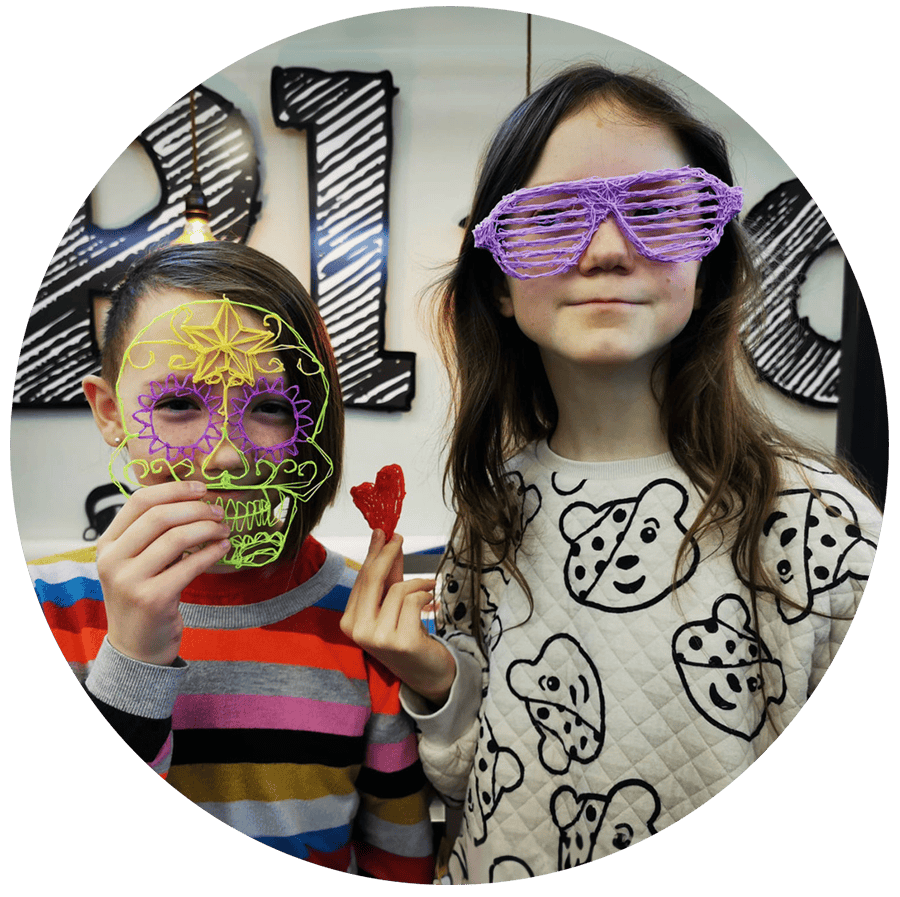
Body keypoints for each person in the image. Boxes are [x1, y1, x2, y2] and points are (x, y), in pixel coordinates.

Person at [339, 64, 882, 882]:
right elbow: (478, 781)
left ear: (708, 264)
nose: (606, 250)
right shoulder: (491, 513)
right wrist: (434, 677)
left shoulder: (823, 529)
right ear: (498, 281)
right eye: (552, 218)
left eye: (657, 211)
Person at [30, 241, 435, 883]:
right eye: (178, 404)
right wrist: (132, 659)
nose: (224, 455)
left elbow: (399, 855)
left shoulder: (363, 619)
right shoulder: (45, 607)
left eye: (270, 408)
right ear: (110, 413)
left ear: (309, 423)